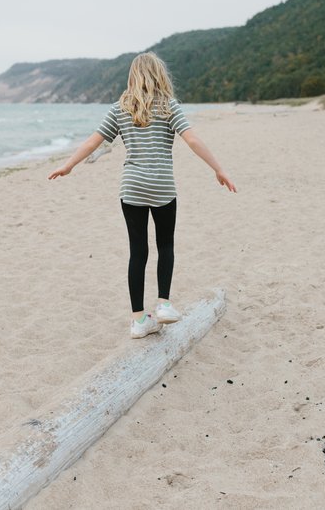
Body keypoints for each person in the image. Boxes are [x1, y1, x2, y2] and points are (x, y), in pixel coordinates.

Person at [48, 52, 236, 338]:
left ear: (132, 76)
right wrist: (218, 169)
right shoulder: (169, 107)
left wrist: (68, 165)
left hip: (132, 186)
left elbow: (93, 141)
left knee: (138, 251)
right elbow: (193, 139)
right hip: (162, 185)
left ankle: (138, 321)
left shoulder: (119, 108)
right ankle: (163, 305)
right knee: (165, 245)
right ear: (160, 74)